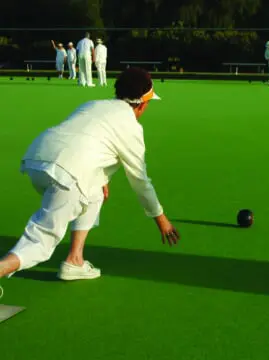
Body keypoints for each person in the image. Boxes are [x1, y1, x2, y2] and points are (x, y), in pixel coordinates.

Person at [0, 67, 180, 282]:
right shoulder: (131, 126)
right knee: (41, 242)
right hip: (68, 175)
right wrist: (161, 219)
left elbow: (84, 138)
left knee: (95, 192)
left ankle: (75, 260)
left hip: (38, 161)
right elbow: (140, 181)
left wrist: (101, 178)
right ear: (142, 104)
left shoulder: (94, 104)